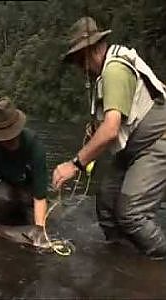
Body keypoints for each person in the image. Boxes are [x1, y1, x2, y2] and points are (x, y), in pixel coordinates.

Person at [52, 16, 166, 259]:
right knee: (106, 203)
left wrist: (74, 165)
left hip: (158, 142)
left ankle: (158, 267)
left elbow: (112, 129)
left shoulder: (114, 70)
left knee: (131, 213)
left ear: (91, 51)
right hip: (134, 148)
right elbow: (116, 121)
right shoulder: (107, 69)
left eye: (78, 61)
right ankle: (122, 263)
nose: (79, 68)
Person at [0, 96, 48, 231]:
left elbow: (40, 197)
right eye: (4, 137)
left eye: (11, 136)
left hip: (30, 194)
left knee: (36, 226)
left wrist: (39, 232)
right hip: (7, 193)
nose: (8, 140)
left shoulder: (34, 145)